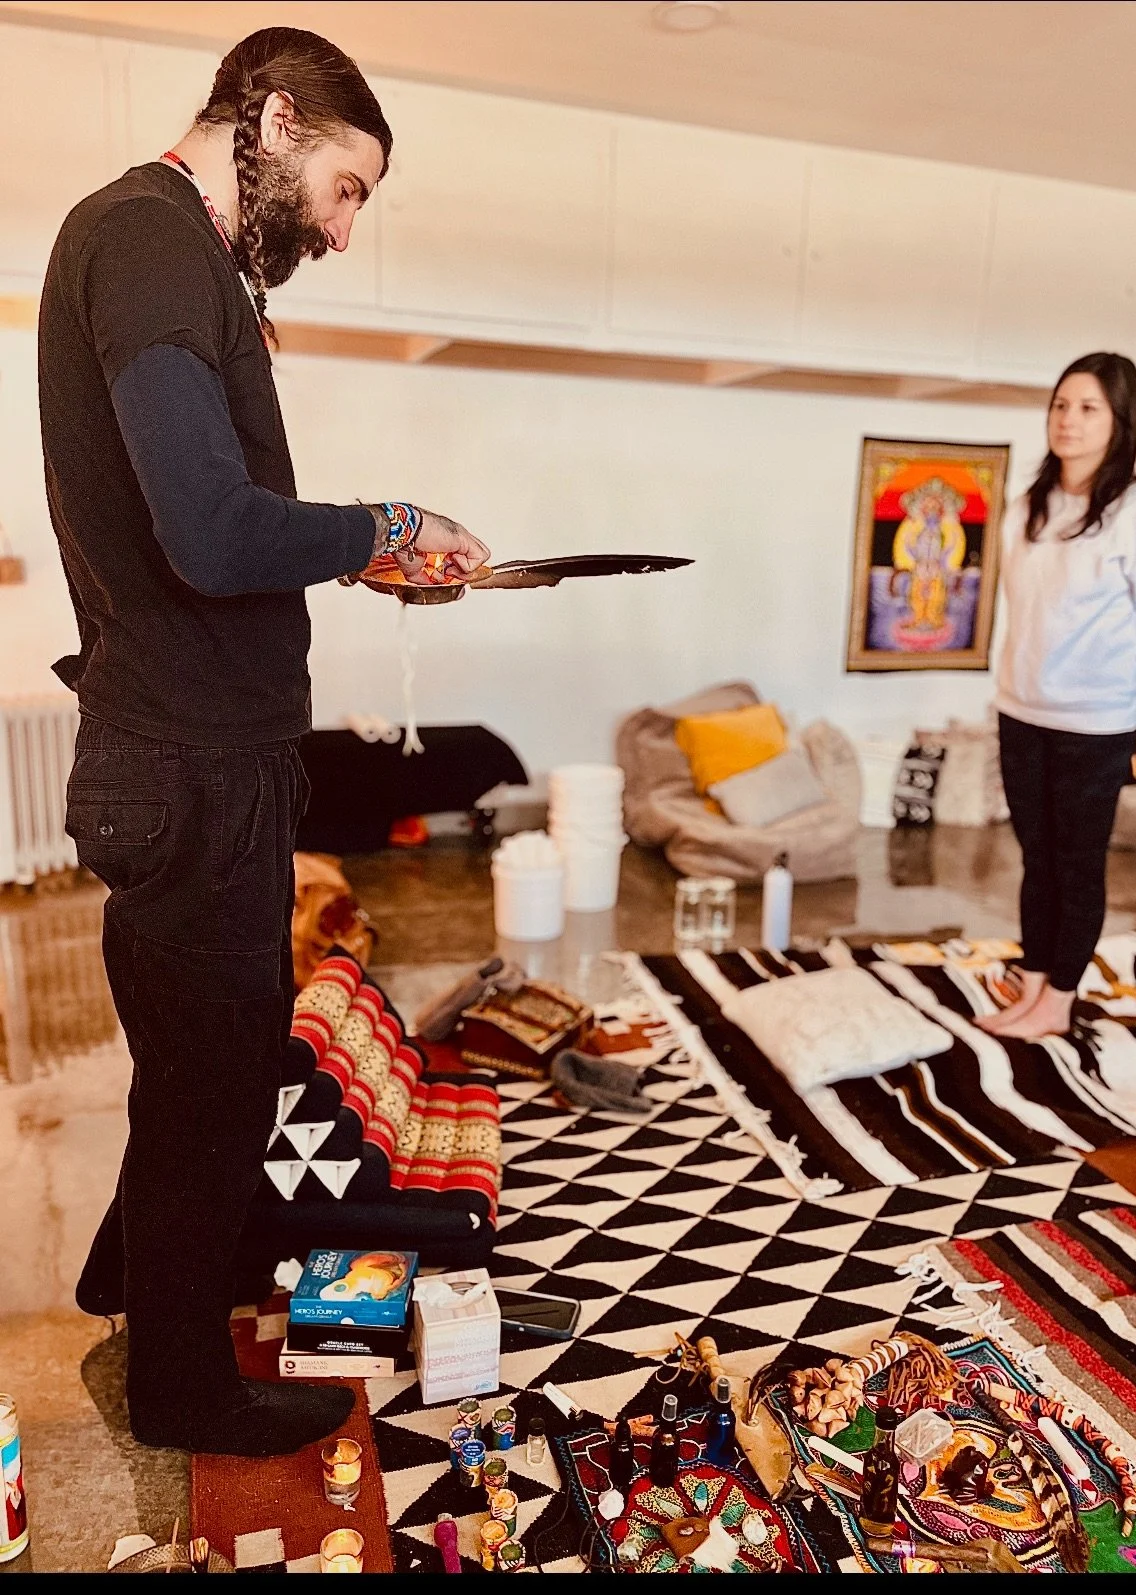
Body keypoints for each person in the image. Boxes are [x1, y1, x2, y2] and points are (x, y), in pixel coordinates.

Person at [38, 28, 489, 1457]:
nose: (341, 229)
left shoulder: (157, 248)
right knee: (217, 1090)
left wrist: (366, 551)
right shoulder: (150, 237)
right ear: (274, 119)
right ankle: (181, 1387)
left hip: (189, 757)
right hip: (185, 767)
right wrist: (384, 530)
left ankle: (133, 1280)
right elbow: (214, 529)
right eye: (344, 187)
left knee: (196, 1075)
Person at [979, 352, 1136, 1041]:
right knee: (1034, 853)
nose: (1067, 420)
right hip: (1020, 711)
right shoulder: (1025, 507)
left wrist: (1129, 712)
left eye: (1087, 407)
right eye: (1060, 405)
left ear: (1119, 421)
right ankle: (1031, 983)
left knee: (1075, 859)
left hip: (1096, 723)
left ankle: (1058, 1000)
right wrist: (1009, 688)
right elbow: (1021, 614)